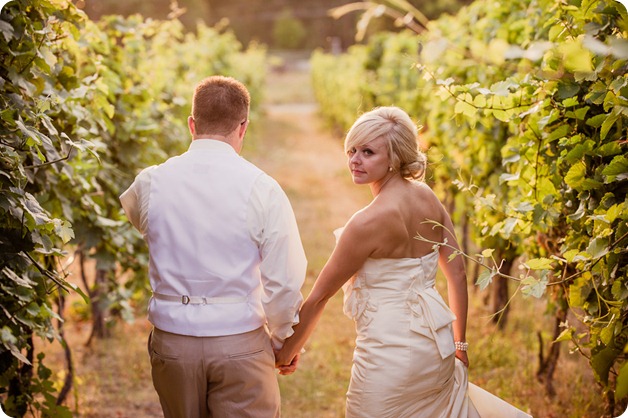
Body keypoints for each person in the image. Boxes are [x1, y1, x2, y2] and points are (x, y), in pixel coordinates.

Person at [275, 107, 531, 417]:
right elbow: (458, 273)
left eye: (367, 152)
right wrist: (460, 345)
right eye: (352, 150)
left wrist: (285, 354)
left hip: (387, 360)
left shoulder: (365, 223)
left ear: (395, 158)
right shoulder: (428, 198)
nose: (354, 160)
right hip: (435, 352)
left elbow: (319, 298)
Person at [120, 75, 306, 418]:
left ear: (192, 124)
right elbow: (285, 279)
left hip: (172, 344)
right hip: (240, 341)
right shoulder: (261, 187)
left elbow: (140, 219)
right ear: (243, 127)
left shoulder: (149, 183)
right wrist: (282, 338)